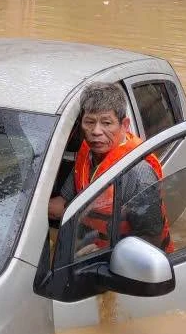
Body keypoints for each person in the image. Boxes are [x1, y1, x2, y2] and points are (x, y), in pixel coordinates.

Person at [49, 82, 174, 255]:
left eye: (106, 123)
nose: (96, 131)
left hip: (124, 261)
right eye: (89, 122)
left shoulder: (138, 174)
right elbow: (62, 203)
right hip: (88, 245)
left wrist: (105, 255)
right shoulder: (87, 153)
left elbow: (150, 240)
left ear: (125, 125)